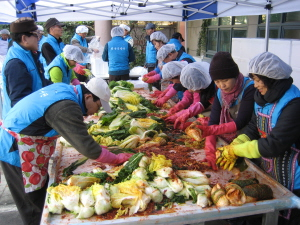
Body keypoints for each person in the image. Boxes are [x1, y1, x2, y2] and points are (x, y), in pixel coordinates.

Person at [0, 77, 132, 225]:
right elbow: (87, 147)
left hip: (29, 145)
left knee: (40, 196)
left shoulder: (68, 91)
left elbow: (79, 135)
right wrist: (116, 158)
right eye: (98, 105)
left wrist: (101, 148)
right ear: (88, 96)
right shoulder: (66, 107)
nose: (97, 111)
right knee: (32, 204)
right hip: (16, 149)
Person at [216, 52, 300, 225]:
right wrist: (237, 142)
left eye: (257, 80)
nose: (254, 85)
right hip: (269, 171)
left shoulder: (294, 104)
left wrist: (237, 150)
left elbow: (274, 144)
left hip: (292, 177)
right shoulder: (262, 98)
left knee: (285, 219)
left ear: (270, 79)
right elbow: (254, 127)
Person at [190, 51, 255, 171]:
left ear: (235, 75)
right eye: (217, 81)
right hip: (229, 142)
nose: (222, 85)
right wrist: (210, 150)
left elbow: (241, 122)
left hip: (247, 141)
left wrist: (211, 129)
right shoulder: (220, 93)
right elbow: (213, 121)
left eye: (225, 80)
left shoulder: (249, 88)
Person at [1, 17, 52, 119]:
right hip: (22, 123)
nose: (39, 38)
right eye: (36, 34)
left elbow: (40, 81)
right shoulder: (16, 64)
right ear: (24, 39)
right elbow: (20, 102)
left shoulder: (30, 54)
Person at [165, 62, 216, 130]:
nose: (190, 90)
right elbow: (202, 104)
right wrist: (183, 114)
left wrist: (204, 122)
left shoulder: (216, 89)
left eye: (192, 88)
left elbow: (217, 113)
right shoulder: (204, 85)